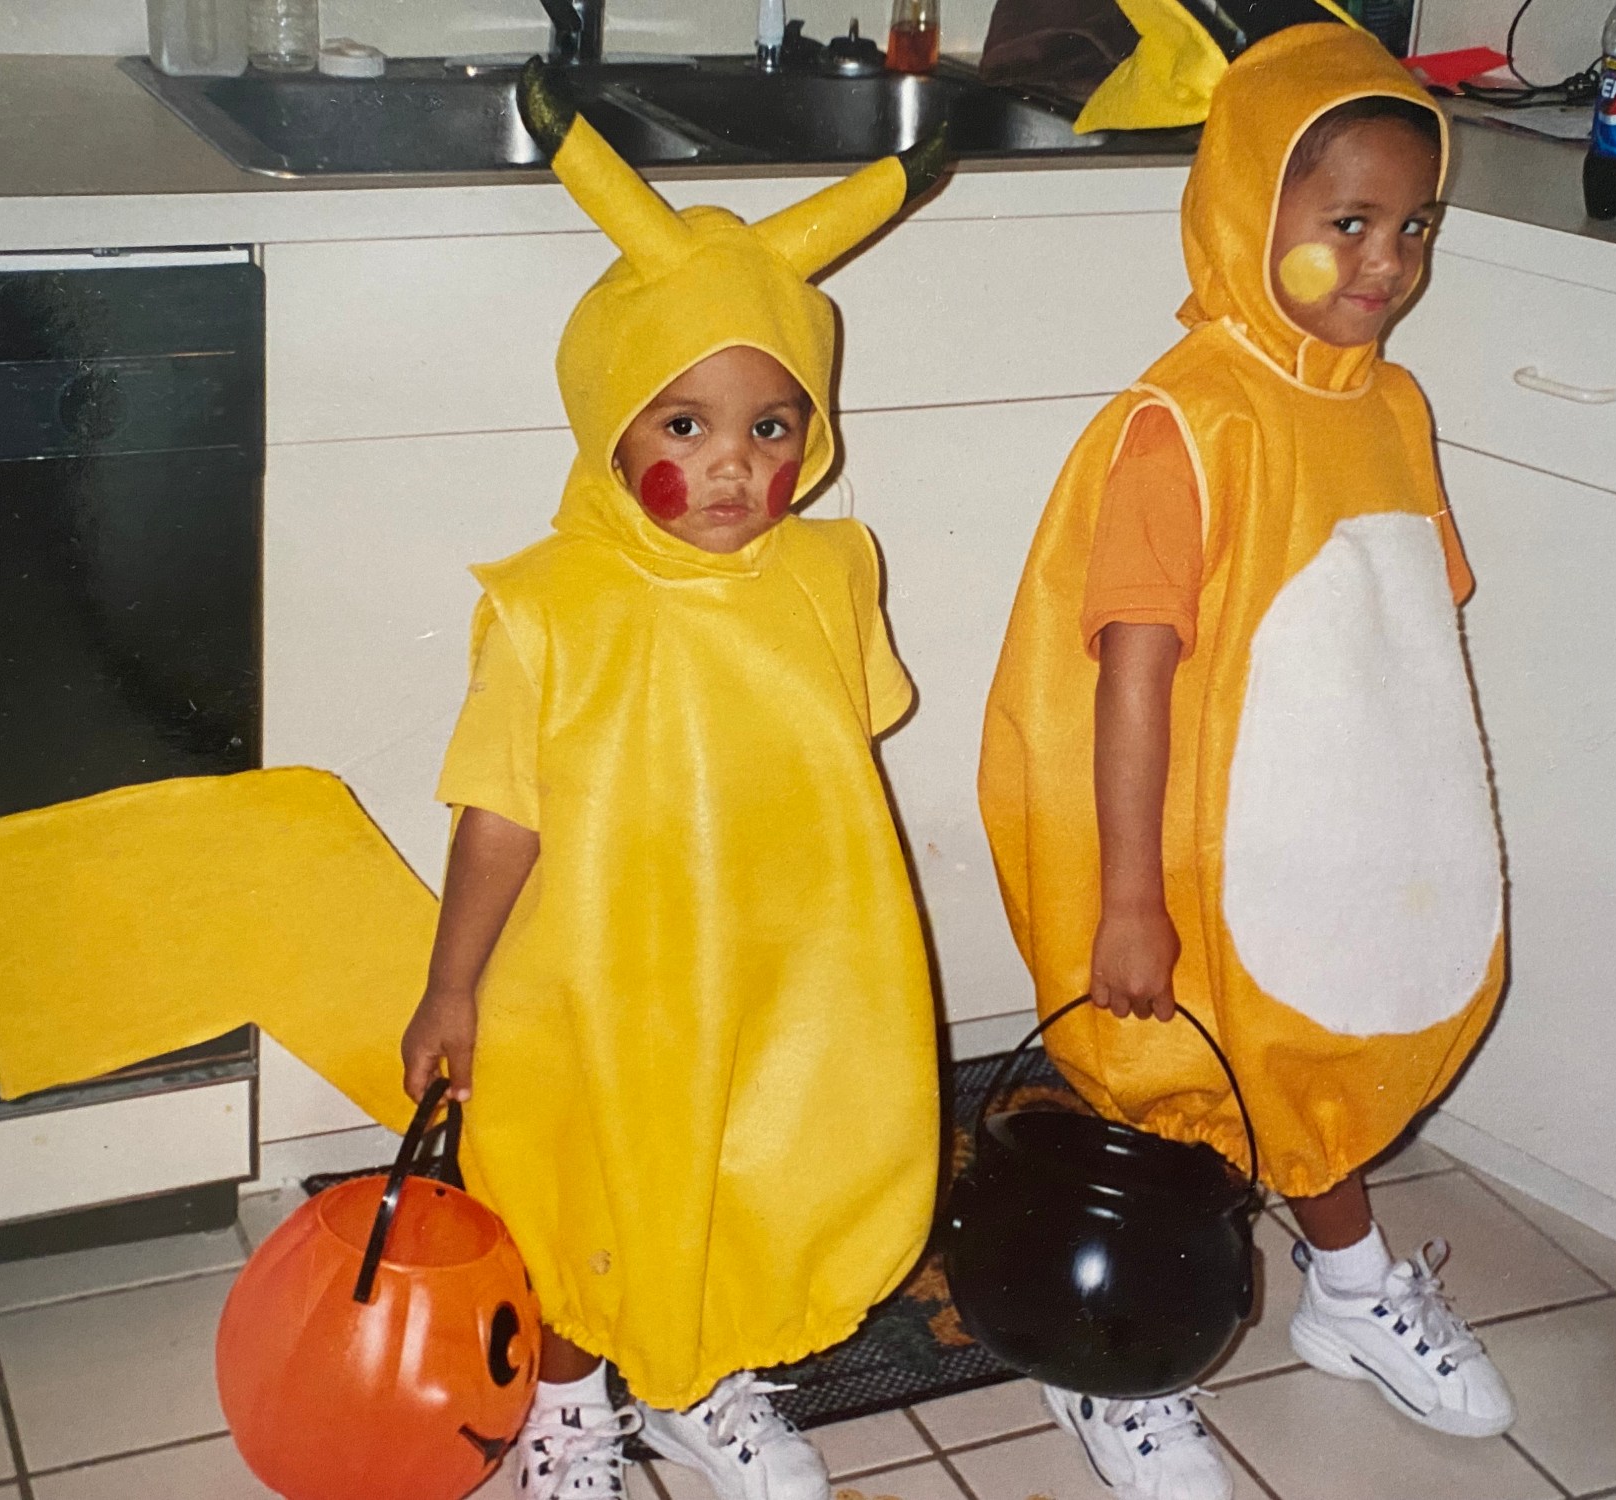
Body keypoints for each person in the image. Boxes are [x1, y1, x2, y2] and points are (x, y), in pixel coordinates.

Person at [978, 9, 1513, 1497]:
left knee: (1314, 1060)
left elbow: (1403, 629)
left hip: (1327, 835)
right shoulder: (1188, 427)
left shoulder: (1387, 407)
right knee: (1174, 1095)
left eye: (1414, 224)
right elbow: (1132, 678)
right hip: (1189, 852)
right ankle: (1107, 1368)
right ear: (1242, 208)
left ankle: (1351, 1301)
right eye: (1346, 221)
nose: (1388, 262)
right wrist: (1131, 899)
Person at [398, 71, 944, 1500]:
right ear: (611, 424)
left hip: (778, 964)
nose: (730, 469)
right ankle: (572, 1407)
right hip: (594, 976)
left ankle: (713, 1380)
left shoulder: (832, 570)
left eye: (772, 428)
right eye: (684, 425)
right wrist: (452, 985)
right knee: (585, 1185)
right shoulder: (550, 605)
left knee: (756, 1168)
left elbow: (840, 765)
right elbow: (499, 806)